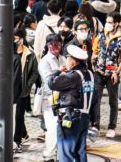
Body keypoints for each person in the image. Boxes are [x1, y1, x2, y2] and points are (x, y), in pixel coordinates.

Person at [47, 45, 94, 162]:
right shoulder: (90, 74)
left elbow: (52, 83)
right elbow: (95, 99)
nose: (66, 62)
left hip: (70, 118)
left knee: (66, 153)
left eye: (67, 59)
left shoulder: (74, 76)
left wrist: (57, 71)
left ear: (72, 62)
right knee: (80, 153)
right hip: (84, 117)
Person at [90, 12, 121, 138]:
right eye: (107, 21)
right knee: (96, 99)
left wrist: (117, 72)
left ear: (117, 23)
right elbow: (95, 48)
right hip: (99, 72)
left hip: (112, 74)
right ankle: (95, 124)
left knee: (113, 101)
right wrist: (93, 57)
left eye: (110, 22)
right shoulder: (102, 34)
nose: (107, 24)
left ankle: (112, 127)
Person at [38, 34, 66, 162]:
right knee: (52, 128)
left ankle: (59, 153)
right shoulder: (44, 61)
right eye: (53, 45)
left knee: (61, 127)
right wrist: (59, 72)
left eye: (58, 45)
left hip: (64, 97)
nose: (56, 48)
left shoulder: (63, 59)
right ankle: (49, 155)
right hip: (49, 98)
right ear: (48, 45)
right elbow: (48, 81)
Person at [13, 28, 39, 153]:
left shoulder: (30, 54)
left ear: (22, 39)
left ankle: (17, 141)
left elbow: (34, 72)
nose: (15, 41)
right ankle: (23, 133)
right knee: (12, 116)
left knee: (18, 116)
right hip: (9, 90)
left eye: (17, 38)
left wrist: (28, 85)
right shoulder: (7, 52)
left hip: (22, 90)